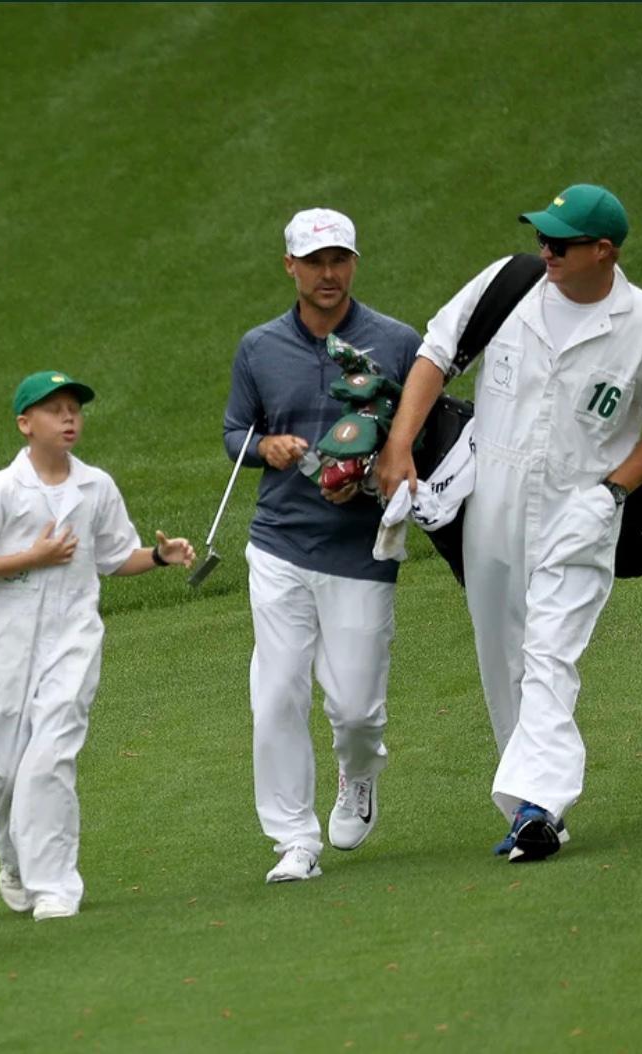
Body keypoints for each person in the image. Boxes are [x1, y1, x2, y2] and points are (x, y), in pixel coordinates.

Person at [374, 185, 642, 862]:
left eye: (561, 241)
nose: (544, 250)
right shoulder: (510, 283)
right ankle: (529, 802)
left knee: (550, 651)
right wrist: (401, 444)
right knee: (503, 656)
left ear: (603, 251)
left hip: (578, 508)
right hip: (490, 496)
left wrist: (613, 490)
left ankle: (541, 806)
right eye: (542, 237)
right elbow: (436, 353)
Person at [0, 371, 195, 920]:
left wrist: (159, 557)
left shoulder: (96, 487)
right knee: (3, 769)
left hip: (73, 639)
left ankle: (55, 884)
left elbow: (114, 556)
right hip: (8, 646)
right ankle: (14, 861)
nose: (69, 418)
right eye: (55, 409)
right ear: (24, 423)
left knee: (50, 758)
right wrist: (29, 559)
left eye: (74, 410)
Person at [222, 208, 421, 884]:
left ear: (354, 263)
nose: (328, 274)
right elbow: (233, 434)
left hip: (362, 548)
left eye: (339, 260)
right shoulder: (258, 347)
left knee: (357, 709)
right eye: (314, 262)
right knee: (275, 693)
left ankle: (358, 772)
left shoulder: (397, 343)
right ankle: (293, 840)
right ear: (291, 267)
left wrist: (370, 473)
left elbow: (421, 438)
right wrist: (265, 447)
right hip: (278, 544)